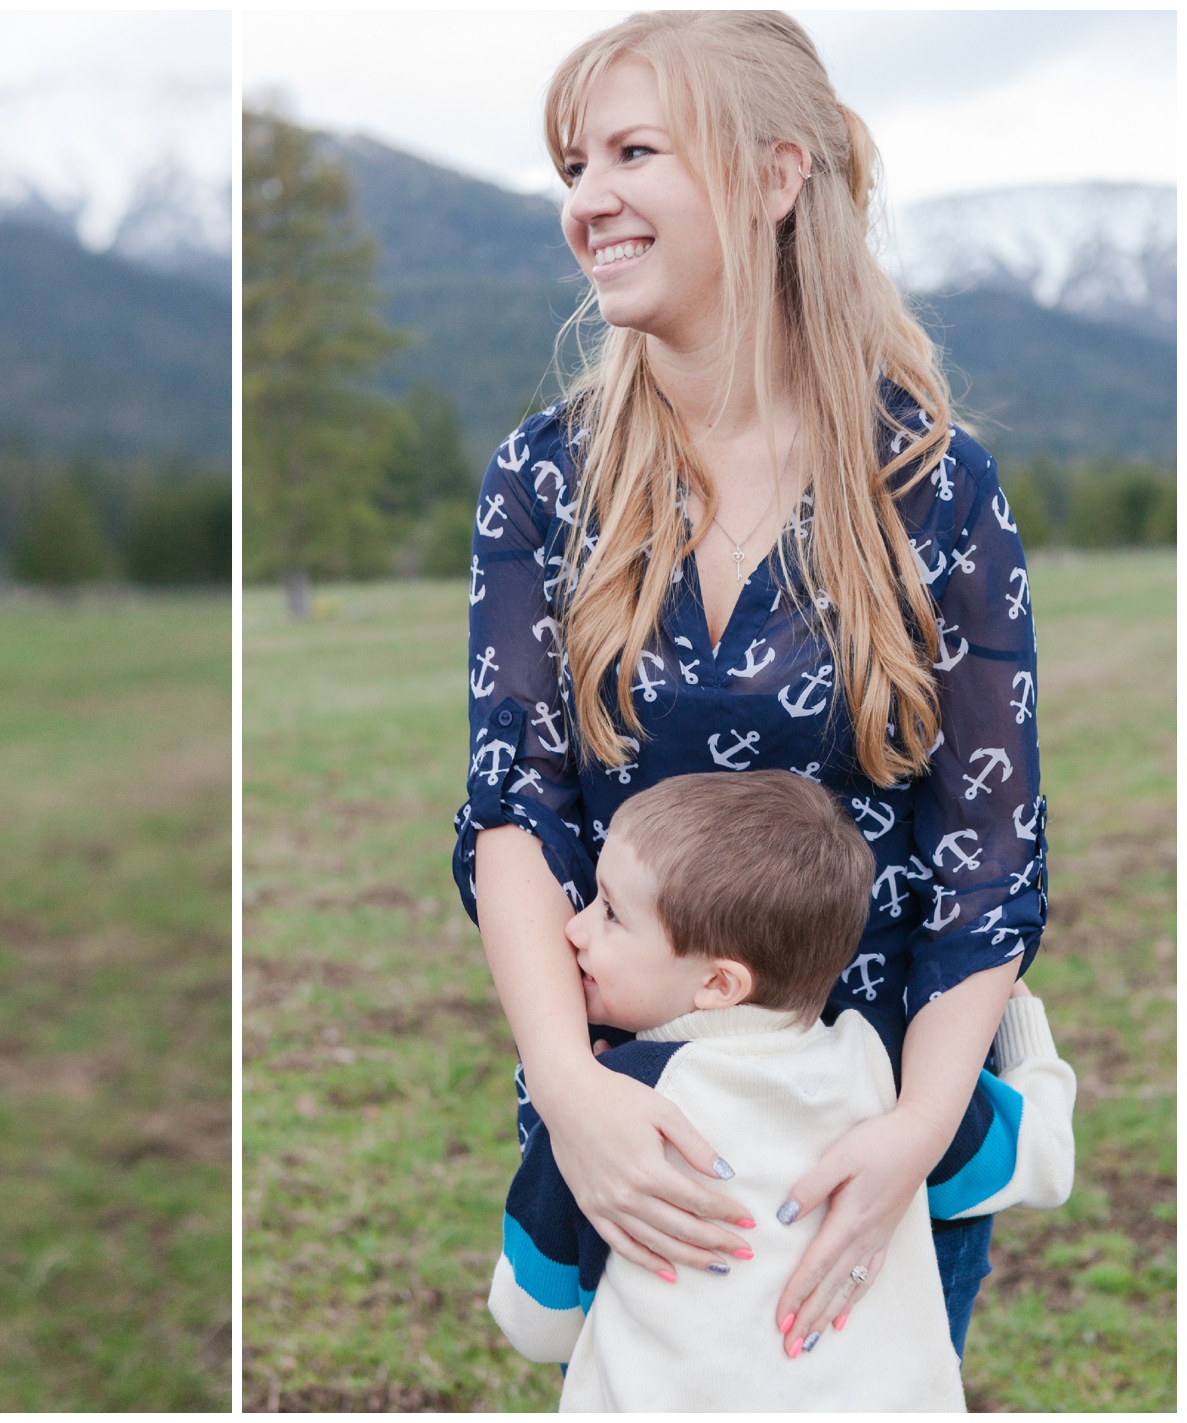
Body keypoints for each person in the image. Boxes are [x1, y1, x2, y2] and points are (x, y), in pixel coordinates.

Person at [452, 10, 1046, 1362]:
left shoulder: (936, 486)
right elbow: (512, 812)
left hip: (872, 1151)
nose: (587, 200)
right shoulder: (545, 479)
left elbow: (986, 866)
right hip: (640, 1137)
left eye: (633, 152)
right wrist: (575, 1097)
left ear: (778, 178)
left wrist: (906, 1135)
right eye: (573, 166)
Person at [484, 773, 1075, 1410]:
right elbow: (1041, 1161)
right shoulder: (889, 1078)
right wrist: (1020, 1023)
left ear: (718, 984)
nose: (575, 928)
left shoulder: (609, 1107)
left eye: (610, 912)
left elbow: (535, 1319)